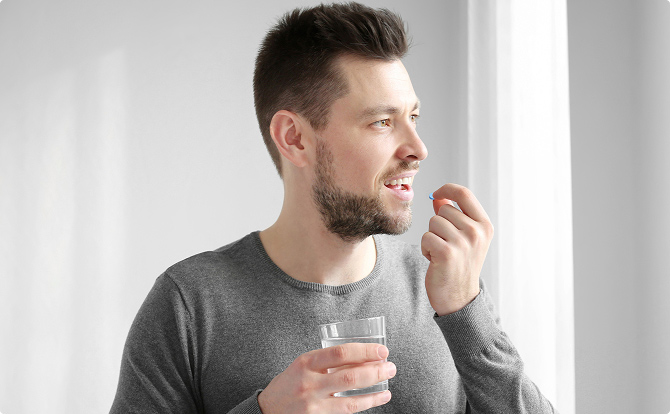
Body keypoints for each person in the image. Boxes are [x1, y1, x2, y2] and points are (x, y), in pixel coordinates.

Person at [110, 3, 557, 413]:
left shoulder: (444, 290)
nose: (418, 148)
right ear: (294, 138)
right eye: (382, 122)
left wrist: (466, 312)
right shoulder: (189, 304)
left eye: (413, 118)